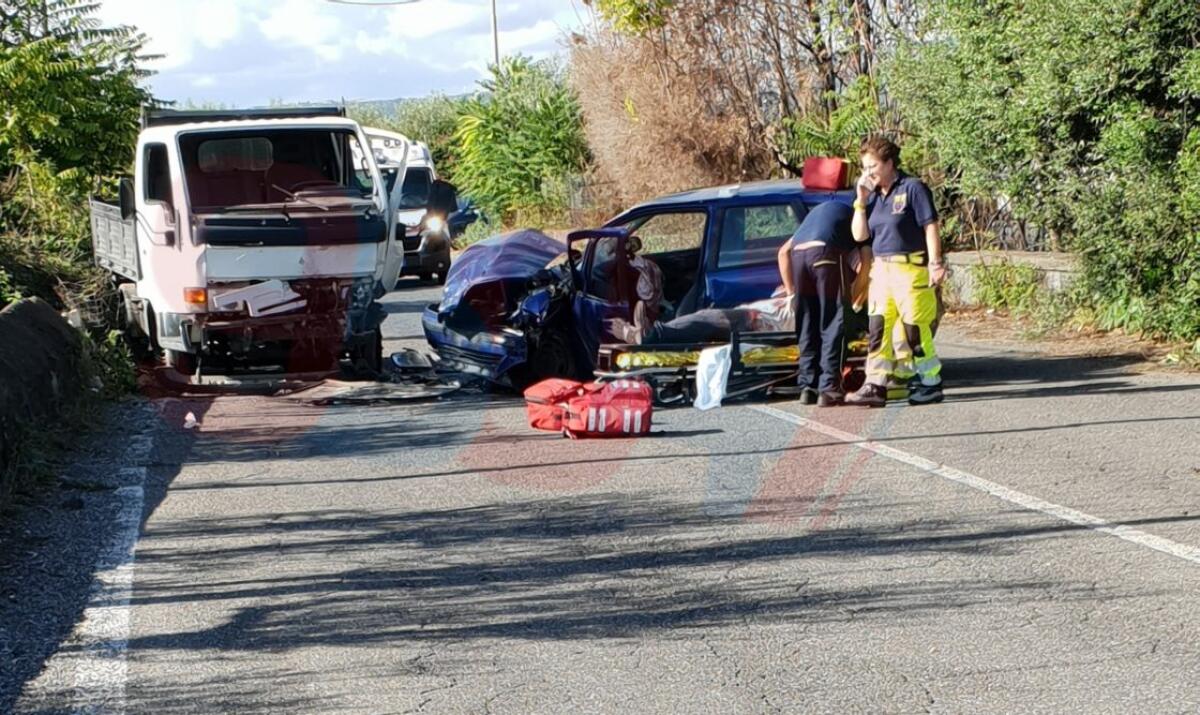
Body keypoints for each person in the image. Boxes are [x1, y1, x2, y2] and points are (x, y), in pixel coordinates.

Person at [845, 135, 946, 406]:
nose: (868, 173)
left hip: (910, 269)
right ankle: (875, 384)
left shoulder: (913, 188)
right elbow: (859, 235)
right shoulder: (873, 197)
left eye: (872, 167)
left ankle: (930, 382)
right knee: (878, 328)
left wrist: (935, 263)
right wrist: (860, 201)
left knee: (915, 330)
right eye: (864, 168)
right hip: (881, 272)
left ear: (889, 163)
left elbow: (930, 226)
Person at [777, 201, 872, 407]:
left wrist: (791, 292)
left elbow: (782, 253)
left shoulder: (815, 221)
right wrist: (854, 298)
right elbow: (866, 262)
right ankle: (829, 388)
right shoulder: (860, 220)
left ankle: (807, 387)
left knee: (807, 325)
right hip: (826, 253)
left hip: (798, 256)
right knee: (833, 323)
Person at [607, 292, 792, 346]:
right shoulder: (797, 296)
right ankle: (650, 333)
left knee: (705, 321)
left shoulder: (806, 302)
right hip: (749, 315)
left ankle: (651, 334)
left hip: (755, 323)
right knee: (702, 321)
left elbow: (784, 253)